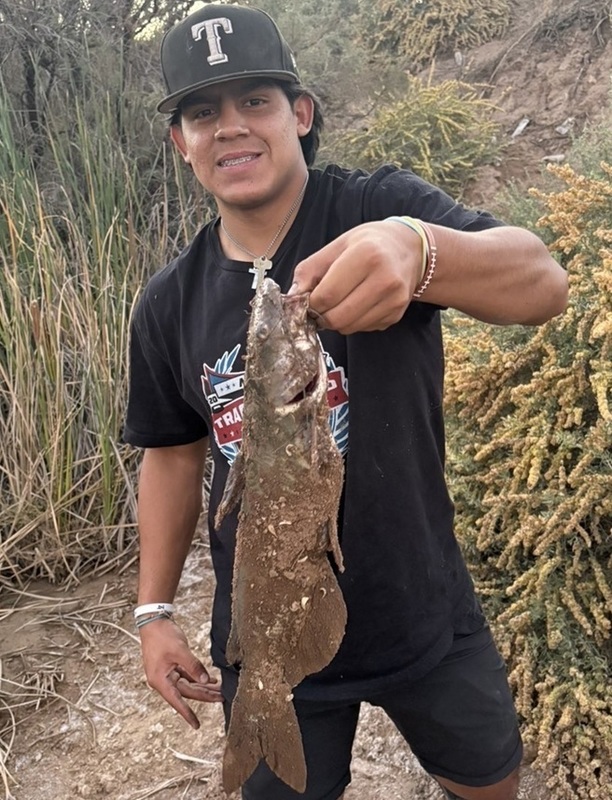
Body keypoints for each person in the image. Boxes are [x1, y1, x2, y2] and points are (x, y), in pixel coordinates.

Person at [123, 5, 568, 800]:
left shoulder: (377, 209)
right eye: (202, 113)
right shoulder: (166, 304)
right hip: (265, 631)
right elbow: (172, 451)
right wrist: (154, 610)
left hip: (422, 605)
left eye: (255, 101)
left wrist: (419, 249)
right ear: (181, 145)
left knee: (491, 784)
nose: (230, 128)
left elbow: (543, 283)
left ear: (301, 113)